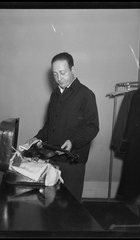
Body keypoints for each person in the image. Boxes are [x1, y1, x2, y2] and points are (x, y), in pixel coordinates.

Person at [25, 52, 99, 202]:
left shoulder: (86, 94)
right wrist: (36, 137)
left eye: (63, 73)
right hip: (52, 160)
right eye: (55, 74)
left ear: (73, 69)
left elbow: (93, 127)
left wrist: (73, 141)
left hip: (73, 163)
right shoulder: (54, 95)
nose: (59, 78)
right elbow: (49, 125)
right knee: (51, 205)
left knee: (70, 206)